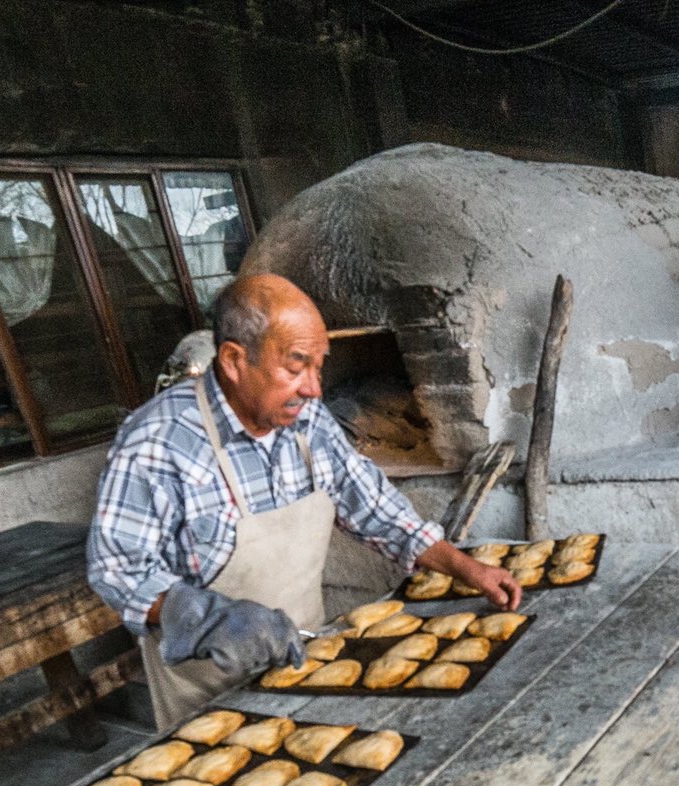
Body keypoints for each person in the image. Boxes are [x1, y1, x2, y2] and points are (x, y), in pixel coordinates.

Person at [88, 274, 520, 727]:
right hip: (209, 695)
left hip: (307, 665)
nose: (314, 388)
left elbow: (373, 506)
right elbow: (117, 571)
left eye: (319, 366)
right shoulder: (156, 442)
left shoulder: (307, 419)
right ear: (235, 360)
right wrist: (205, 617)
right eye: (296, 367)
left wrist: (467, 567)